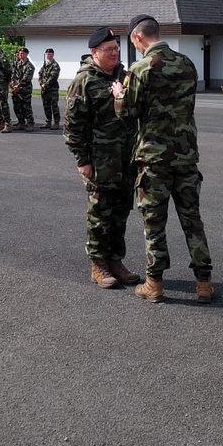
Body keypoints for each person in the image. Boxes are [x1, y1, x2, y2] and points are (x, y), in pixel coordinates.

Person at [112, 14, 214, 304]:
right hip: (185, 156)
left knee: (154, 223)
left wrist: (119, 94)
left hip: (154, 160)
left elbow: (127, 113)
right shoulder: (187, 64)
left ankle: (154, 284)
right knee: (192, 220)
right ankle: (204, 283)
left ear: (137, 37)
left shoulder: (141, 67)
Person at [65, 32, 141, 290]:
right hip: (99, 161)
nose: (115, 52)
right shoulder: (83, 81)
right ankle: (98, 265)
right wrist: (82, 160)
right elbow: (73, 127)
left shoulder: (125, 76)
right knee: (99, 215)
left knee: (120, 213)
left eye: (116, 48)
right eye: (109, 49)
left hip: (126, 161)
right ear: (95, 52)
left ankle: (116, 261)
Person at [9, 47, 36, 131]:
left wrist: (18, 86)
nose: (21, 55)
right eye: (20, 53)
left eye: (22, 53)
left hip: (25, 90)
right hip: (16, 89)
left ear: (27, 54)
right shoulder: (17, 63)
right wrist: (13, 84)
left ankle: (30, 123)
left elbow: (26, 78)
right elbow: (13, 74)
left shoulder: (30, 66)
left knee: (26, 107)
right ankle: (21, 122)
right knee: (17, 106)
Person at [38, 48, 62, 130]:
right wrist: (41, 84)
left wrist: (45, 84)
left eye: (50, 54)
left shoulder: (55, 65)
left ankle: (56, 123)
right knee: (46, 106)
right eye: (47, 54)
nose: (48, 55)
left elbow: (53, 77)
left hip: (52, 89)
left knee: (54, 106)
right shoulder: (45, 64)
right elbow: (40, 74)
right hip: (44, 89)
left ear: (53, 55)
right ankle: (48, 122)